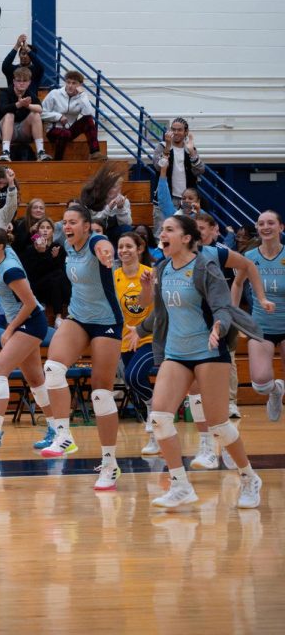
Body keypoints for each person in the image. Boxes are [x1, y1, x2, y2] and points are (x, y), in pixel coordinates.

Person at [131, 215, 264, 510]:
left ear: (187, 238)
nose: (161, 234)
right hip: (176, 352)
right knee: (160, 418)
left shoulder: (206, 267)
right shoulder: (163, 268)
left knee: (218, 424)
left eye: (169, 230)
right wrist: (138, 330)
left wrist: (218, 327)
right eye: (161, 230)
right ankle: (180, 485)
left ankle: (249, 477)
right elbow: (161, 313)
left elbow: (223, 307)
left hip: (208, 351)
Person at [37, 204, 124, 490]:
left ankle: (109, 463)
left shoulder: (96, 241)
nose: (67, 226)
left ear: (87, 225)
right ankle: (64, 435)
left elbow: (103, 246)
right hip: (78, 317)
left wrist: (105, 251)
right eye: (64, 222)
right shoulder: (66, 243)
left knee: (100, 394)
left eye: (73, 222)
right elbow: (45, 241)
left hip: (107, 322)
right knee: (51, 368)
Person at [0, 228, 54, 447]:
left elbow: (31, 303)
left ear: (1, 247)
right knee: (35, 380)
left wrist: (9, 329)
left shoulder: (10, 270)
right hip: (23, 324)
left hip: (30, 323)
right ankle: (57, 429)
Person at [113, 231, 159, 455]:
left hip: (150, 336)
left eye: (128, 246)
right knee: (132, 381)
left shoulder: (150, 273)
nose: (123, 251)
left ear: (139, 249)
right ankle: (156, 439)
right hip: (125, 337)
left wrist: (141, 330)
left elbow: (151, 305)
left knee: (134, 375)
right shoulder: (114, 277)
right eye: (120, 247)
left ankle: (153, 408)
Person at [236, 210, 285, 421]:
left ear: (281, 228)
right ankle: (275, 392)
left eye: (271, 223)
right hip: (260, 327)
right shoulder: (250, 257)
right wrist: (231, 314)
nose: (265, 227)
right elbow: (237, 284)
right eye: (261, 223)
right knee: (260, 383)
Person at [41, 70, 102, 161]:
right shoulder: (54, 94)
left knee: (87, 119)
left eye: (74, 83)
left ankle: (95, 153)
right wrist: (58, 116)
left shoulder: (81, 97)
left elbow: (88, 113)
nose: (70, 85)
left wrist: (82, 95)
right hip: (53, 131)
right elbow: (41, 113)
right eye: (68, 82)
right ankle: (58, 160)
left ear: (80, 85)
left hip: (70, 130)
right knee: (64, 133)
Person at [0, 67, 50, 161]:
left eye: (25, 81)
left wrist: (27, 106)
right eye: (18, 80)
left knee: (35, 115)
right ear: (14, 81)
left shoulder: (30, 94)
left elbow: (40, 109)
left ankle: (40, 152)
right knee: (9, 115)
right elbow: (3, 109)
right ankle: (5, 152)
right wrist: (19, 104)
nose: (21, 83)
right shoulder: (5, 92)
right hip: (1, 129)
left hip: (22, 130)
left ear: (29, 82)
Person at [155, 117, 206, 208]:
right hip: (168, 197)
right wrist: (167, 146)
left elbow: (200, 171)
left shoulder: (189, 148)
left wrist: (192, 152)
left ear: (186, 132)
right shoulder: (162, 146)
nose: (176, 132)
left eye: (179, 130)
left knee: (187, 222)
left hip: (187, 199)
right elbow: (158, 168)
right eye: (173, 129)